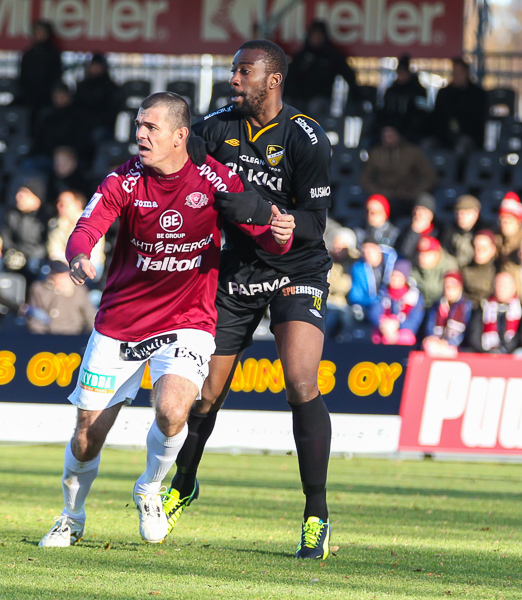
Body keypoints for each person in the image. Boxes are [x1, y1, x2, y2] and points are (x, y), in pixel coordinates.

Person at [38, 91, 293, 548]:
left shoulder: (214, 179)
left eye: (150, 127)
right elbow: (86, 229)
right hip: (121, 322)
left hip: (187, 318)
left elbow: (264, 235)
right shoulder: (124, 180)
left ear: (180, 135)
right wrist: (79, 256)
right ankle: (71, 516)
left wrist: (278, 234)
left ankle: (150, 488)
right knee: (85, 439)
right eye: (138, 125)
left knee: (175, 410)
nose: (140, 134)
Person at [167, 40, 335, 559]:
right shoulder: (215, 128)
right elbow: (177, 167)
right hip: (236, 271)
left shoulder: (306, 137)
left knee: (300, 383)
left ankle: (316, 515)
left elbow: (315, 221)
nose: (234, 79)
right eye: (233, 70)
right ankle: (184, 482)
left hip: (296, 269)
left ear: (274, 80)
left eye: (245, 71)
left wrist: (289, 222)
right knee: (205, 394)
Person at [359, 126, 438, 223]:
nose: (388, 138)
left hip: (408, 196)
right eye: (385, 135)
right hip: (384, 196)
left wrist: (414, 192)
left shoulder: (413, 152)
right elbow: (365, 178)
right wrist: (379, 192)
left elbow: (429, 177)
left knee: (422, 203)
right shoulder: (376, 153)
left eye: (391, 135)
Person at [285, 19, 356, 116]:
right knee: (287, 105)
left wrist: (356, 94)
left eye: (318, 36)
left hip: (320, 97)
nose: (315, 39)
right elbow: (290, 76)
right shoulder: (301, 55)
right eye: (313, 36)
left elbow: (349, 75)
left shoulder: (332, 56)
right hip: (299, 97)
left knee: (315, 106)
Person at [425, 57, 487, 153]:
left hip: (467, 136)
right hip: (444, 137)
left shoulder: (478, 94)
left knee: (462, 147)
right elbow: (436, 117)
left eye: (459, 73)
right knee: (427, 145)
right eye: (454, 73)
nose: (456, 76)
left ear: (466, 73)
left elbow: (478, 121)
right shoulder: (444, 93)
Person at [24, 260, 96, 335]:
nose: (64, 280)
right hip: (47, 334)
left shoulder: (79, 291)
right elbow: (35, 316)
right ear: (52, 276)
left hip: (73, 334)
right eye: (60, 277)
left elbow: (89, 316)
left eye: (66, 276)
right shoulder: (39, 289)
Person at [466, 271, 522, 354]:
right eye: (498, 284)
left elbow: (521, 337)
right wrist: (487, 352)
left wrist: (504, 350)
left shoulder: (521, 311)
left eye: (505, 285)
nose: (501, 288)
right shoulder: (483, 308)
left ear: (514, 288)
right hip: (485, 354)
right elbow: (474, 337)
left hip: (511, 354)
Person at [375, 54, 428, 143]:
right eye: (399, 72)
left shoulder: (418, 91)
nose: (401, 75)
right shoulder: (391, 91)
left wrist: (407, 130)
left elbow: (421, 115)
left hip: (411, 133)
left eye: (404, 72)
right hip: (390, 130)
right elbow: (381, 111)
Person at [2, 178, 48, 282]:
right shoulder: (12, 215)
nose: (18, 197)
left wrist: (26, 255)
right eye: (19, 193)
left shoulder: (45, 217)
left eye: (25, 194)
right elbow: (6, 238)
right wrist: (13, 252)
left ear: (37, 199)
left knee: (36, 265)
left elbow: (45, 245)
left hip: (36, 258)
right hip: (16, 254)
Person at [370, 258, 424, 345]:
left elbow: (414, 321)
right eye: (393, 276)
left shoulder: (414, 296)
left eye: (398, 277)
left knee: (406, 339)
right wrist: (383, 325)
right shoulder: (383, 293)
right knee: (377, 337)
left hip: (403, 330)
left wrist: (397, 325)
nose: (395, 279)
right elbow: (374, 312)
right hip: (384, 328)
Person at [17, 20, 64, 119]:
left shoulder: (53, 54)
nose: (40, 35)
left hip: (47, 99)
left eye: (43, 32)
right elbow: (22, 76)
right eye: (37, 32)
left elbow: (56, 76)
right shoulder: (28, 54)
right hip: (29, 98)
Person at [421, 271, 472, 357]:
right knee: (429, 345)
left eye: (453, 287)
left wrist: (449, 342)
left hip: (456, 346)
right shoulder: (437, 305)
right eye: (447, 286)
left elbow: (466, 332)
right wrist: (434, 339)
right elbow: (430, 326)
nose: (449, 290)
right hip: (437, 344)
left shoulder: (466, 306)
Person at [347, 241, 397, 327]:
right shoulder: (358, 269)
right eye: (364, 253)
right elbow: (355, 296)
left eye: (371, 252)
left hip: (392, 304)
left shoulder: (395, 263)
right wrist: (375, 300)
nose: (367, 255)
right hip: (369, 306)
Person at [74, 53, 120, 143]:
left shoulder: (111, 88)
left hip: (102, 126)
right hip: (82, 124)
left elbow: (112, 110)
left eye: (97, 66)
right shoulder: (82, 86)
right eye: (93, 66)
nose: (95, 69)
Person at [325, 226, 359, 341]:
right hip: (325, 302)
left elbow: (345, 286)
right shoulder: (327, 260)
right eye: (335, 244)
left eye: (342, 245)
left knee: (336, 317)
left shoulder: (354, 264)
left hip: (344, 305)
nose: (337, 248)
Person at [412, 236, 458, 309]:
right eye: (420, 253)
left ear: (437, 255)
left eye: (427, 254)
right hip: (420, 307)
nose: (422, 257)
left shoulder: (449, 268)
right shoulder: (414, 266)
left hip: (441, 307)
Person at [441, 194, 484, 268]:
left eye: (466, 213)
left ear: (476, 213)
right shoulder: (449, 233)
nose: (461, 217)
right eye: (458, 213)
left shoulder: (484, 233)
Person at [394, 193, 439, 262]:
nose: (418, 214)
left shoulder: (438, 232)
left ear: (430, 215)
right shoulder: (405, 229)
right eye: (416, 210)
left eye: (423, 211)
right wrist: (414, 232)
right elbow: (405, 253)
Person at [47, 189, 86, 262]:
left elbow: (92, 256)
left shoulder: (90, 222)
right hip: (62, 265)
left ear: (77, 204)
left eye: (64, 204)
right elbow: (53, 252)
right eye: (58, 203)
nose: (59, 206)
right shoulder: (54, 223)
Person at [461, 229, 498, 304]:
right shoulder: (464, 271)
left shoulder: (498, 271)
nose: (478, 251)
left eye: (483, 248)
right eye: (476, 247)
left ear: (493, 250)